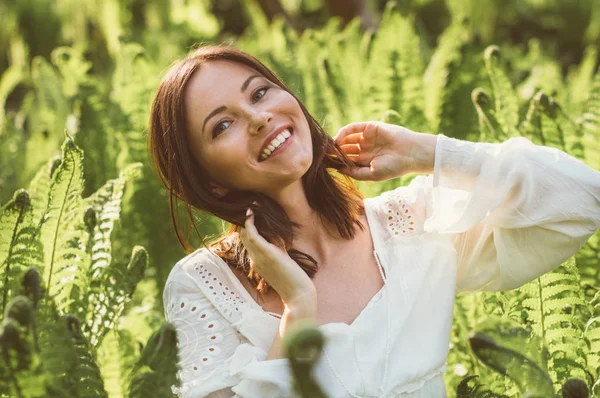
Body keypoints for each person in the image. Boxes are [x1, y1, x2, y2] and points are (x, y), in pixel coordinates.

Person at [148, 44, 600, 398]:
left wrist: (429, 153)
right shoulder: (205, 285)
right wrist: (298, 308)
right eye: (221, 125)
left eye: (259, 91)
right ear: (208, 181)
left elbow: (582, 200)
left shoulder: (410, 225)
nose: (258, 117)